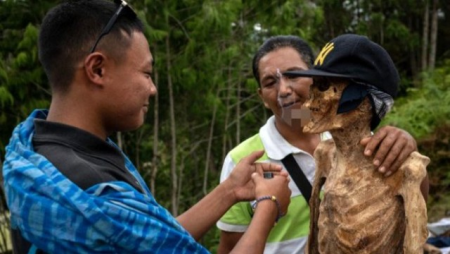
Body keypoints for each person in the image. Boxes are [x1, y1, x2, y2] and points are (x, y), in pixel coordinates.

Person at [2, 1, 291, 253]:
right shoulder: (90, 186)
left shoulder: (41, 150)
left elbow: (147, 241)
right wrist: (268, 206)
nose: (152, 89)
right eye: (146, 73)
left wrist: (230, 191)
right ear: (97, 69)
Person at [216, 35, 427, 254]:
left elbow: (412, 209)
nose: (284, 90)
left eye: (293, 75)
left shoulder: (362, 143)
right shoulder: (241, 161)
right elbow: (229, 247)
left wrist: (406, 147)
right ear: (261, 96)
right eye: (271, 82)